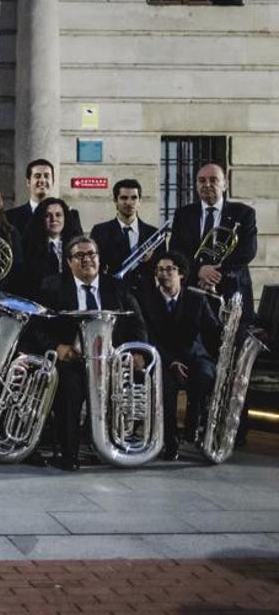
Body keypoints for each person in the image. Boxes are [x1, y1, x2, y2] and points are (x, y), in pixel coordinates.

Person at [37, 235, 147, 471]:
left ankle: (114, 444)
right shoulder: (53, 286)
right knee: (69, 388)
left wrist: (139, 352)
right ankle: (70, 455)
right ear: (69, 262)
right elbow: (38, 330)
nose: (87, 260)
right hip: (72, 360)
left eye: (91, 254)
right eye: (80, 256)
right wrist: (57, 347)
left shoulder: (117, 286)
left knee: (132, 381)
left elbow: (138, 324)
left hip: (112, 361)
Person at [138, 251, 220, 459]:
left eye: (169, 269)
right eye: (159, 270)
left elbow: (214, 331)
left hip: (194, 356)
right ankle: (170, 439)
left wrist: (217, 299)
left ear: (181, 274)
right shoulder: (147, 300)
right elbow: (149, 338)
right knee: (164, 386)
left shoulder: (197, 298)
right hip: (163, 359)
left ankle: (195, 419)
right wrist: (171, 362)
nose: (163, 274)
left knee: (206, 376)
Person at [168, 161, 258, 313]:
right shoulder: (183, 214)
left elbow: (247, 251)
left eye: (213, 179)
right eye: (202, 180)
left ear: (225, 185)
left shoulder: (244, 213)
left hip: (232, 290)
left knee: (233, 337)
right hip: (193, 290)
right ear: (196, 185)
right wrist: (199, 270)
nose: (207, 184)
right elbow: (176, 251)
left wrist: (214, 274)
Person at [90, 178, 159, 287]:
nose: (129, 202)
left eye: (134, 198)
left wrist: (151, 259)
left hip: (145, 296)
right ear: (115, 200)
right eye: (124, 198)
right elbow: (95, 265)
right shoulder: (100, 231)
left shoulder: (153, 233)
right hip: (113, 293)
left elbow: (161, 268)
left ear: (140, 201)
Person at [4, 158, 83, 239]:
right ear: (28, 182)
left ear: (53, 181)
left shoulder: (70, 215)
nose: (42, 180)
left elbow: (78, 246)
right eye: (37, 176)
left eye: (46, 176)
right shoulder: (10, 217)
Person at [21, 197, 80, 302]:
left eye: (58, 215)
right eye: (48, 215)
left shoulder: (76, 246)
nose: (54, 219)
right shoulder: (28, 246)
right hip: (40, 303)